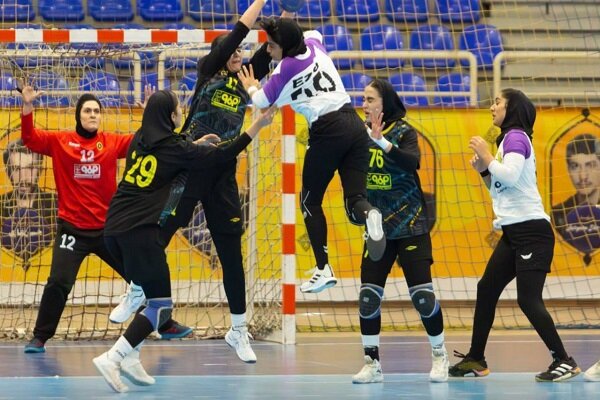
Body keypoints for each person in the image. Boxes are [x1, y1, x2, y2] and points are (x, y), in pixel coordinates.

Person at [94, 90, 276, 393]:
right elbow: (221, 155)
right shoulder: (175, 148)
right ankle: (113, 358)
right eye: (178, 108)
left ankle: (131, 356)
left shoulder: (141, 138)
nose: (182, 112)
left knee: (150, 297)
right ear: (170, 116)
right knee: (161, 307)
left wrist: (193, 144)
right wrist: (257, 125)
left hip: (113, 229)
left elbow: (172, 149)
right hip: (140, 233)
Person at [150, 0, 293, 363]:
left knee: (231, 254)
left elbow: (276, 45)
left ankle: (238, 330)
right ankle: (139, 292)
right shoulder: (208, 71)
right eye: (232, 50)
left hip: (223, 173)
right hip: (190, 165)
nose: (237, 54)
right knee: (158, 235)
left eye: (240, 52)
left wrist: (284, 21)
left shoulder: (246, 77)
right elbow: (238, 33)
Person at [19, 85, 190, 354]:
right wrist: (28, 107)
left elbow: (145, 141)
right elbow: (29, 139)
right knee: (59, 281)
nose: (92, 115)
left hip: (108, 230)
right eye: (87, 111)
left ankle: (165, 323)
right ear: (78, 115)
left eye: (96, 111)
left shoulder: (111, 142)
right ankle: (40, 337)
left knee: (143, 276)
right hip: (72, 231)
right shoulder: (60, 141)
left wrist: (150, 114)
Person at [237, 17, 386, 295]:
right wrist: (279, 25)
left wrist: (251, 84)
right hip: (354, 124)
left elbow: (260, 101)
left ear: (285, 46)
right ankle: (371, 214)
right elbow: (314, 31)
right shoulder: (314, 44)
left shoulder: (284, 69)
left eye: (271, 46)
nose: (267, 50)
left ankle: (323, 269)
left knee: (309, 201)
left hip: (327, 129)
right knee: (355, 199)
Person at [448, 88, 580, 382]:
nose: (492, 106)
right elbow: (500, 188)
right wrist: (484, 171)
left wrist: (486, 157)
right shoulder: (507, 141)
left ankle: (564, 360)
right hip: (514, 233)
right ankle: (476, 358)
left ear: (513, 108)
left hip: (532, 232)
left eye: (497, 102)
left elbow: (508, 174)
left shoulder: (516, 137)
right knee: (486, 289)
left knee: (528, 299)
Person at [352, 79, 448, 384]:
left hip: (411, 224)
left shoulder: (404, 131)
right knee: (368, 298)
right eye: (363, 99)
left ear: (385, 102)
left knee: (423, 298)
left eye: (370, 99)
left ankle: (440, 356)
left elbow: (412, 162)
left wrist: (381, 141)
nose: (364, 104)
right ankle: (372, 364)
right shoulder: (357, 134)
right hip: (377, 228)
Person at [1, 139, 57, 264]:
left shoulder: (57, 205)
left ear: (40, 170)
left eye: (30, 168)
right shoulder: (1, 205)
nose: (24, 177)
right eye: (17, 169)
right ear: (8, 172)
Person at [551, 133, 600, 256]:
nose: (583, 176)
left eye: (590, 165)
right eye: (575, 166)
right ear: (568, 169)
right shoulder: (557, 214)